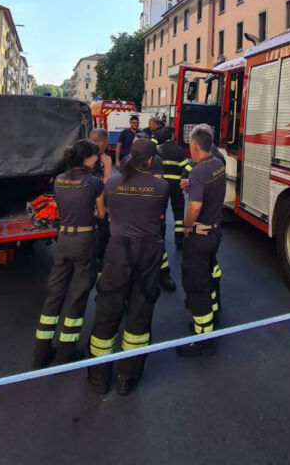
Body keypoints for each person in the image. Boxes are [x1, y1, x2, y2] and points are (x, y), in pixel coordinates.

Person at [87, 139, 168, 396]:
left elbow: (109, 209)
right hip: (148, 252)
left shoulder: (112, 183)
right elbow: (159, 214)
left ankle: (99, 376)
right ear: (151, 161)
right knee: (139, 311)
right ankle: (127, 376)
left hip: (117, 251)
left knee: (108, 308)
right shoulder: (161, 187)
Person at [33, 140, 105, 368]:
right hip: (85, 240)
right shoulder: (94, 183)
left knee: (55, 293)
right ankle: (66, 350)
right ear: (86, 159)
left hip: (63, 239)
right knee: (78, 294)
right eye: (96, 156)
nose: (98, 159)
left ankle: (41, 351)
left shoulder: (60, 181)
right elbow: (101, 214)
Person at [177, 124, 226, 357]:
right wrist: (192, 185)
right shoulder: (217, 164)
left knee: (196, 285)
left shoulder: (198, 171)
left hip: (200, 234)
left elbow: (195, 205)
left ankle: (203, 337)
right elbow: (207, 190)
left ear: (195, 147)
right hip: (215, 232)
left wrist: (187, 226)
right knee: (207, 276)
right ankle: (213, 313)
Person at [154, 126, 188, 249]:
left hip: (161, 184)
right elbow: (185, 168)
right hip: (175, 185)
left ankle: (160, 237)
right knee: (178, 212)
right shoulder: (179, 150)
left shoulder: (157, 150)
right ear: (172, 136)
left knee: (160, 212)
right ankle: (179, 240)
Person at [89, 128, 114, 272]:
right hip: (94, 211)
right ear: (101, 143)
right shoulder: (93, 160)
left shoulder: (82, 156)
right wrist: (108, 169)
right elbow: (101, 188)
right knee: (103, 236)